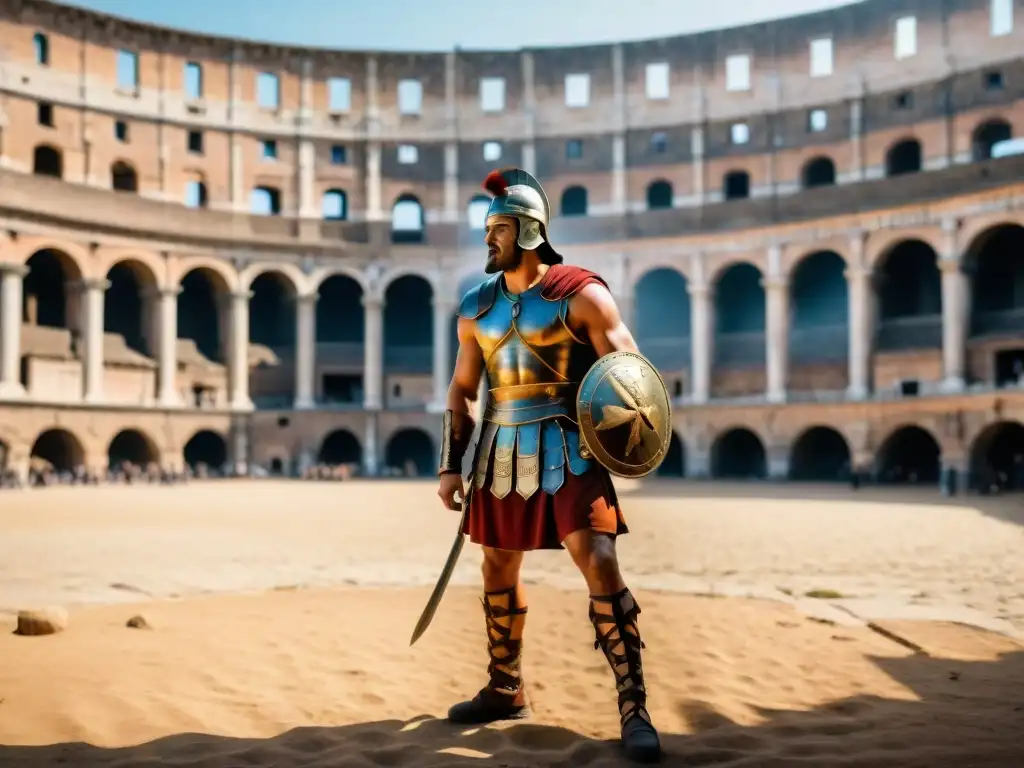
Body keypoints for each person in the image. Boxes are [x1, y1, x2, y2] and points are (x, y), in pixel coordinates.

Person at [436, 168, 662, 763]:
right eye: (487, 229)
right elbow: (461, 391)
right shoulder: (475, 307)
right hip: (498, 449)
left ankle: (634, 706)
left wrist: (629, 436)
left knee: (600, 558)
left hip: (569, 443)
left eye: (499, 229)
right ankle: (506, 688)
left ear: (530, 231)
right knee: (496, 570)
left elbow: (630, 373)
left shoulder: (582, 293)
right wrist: (449, 467)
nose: (489, 239)